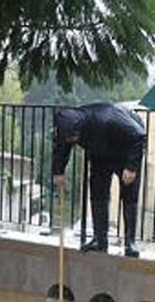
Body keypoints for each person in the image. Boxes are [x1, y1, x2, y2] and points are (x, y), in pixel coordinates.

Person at [52, 103, 147, 256]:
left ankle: (130, 242)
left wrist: (132, 167)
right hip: (100, 153)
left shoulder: (109, 118)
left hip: (126, 150)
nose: (73, 141)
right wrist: (58, 172)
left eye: (74, 138)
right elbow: (62, 148)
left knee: (129, 195)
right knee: (98, 191)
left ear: (80, 130)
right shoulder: (67, 127)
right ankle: (100, 240)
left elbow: (138, 136)